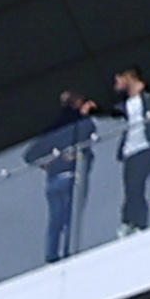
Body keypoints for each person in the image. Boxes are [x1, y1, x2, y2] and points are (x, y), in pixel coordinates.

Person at [32, 87, 98, 258]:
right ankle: (69, 253)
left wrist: (50, 162)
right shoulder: (80, 124)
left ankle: (52, 254)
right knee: (71, 219)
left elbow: (30, 154)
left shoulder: (53, 129)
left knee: (55, 220)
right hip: (72, 177)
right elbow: (89, 130)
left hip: (54, 180)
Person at [113, 67, 150, 234]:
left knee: (136, 184)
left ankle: (137, 223)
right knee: (131, 187)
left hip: (149, 144)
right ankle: (129, 222)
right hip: (131, 150)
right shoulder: (127, 102)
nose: (116, 84)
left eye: (118, 79)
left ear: (128, 77)